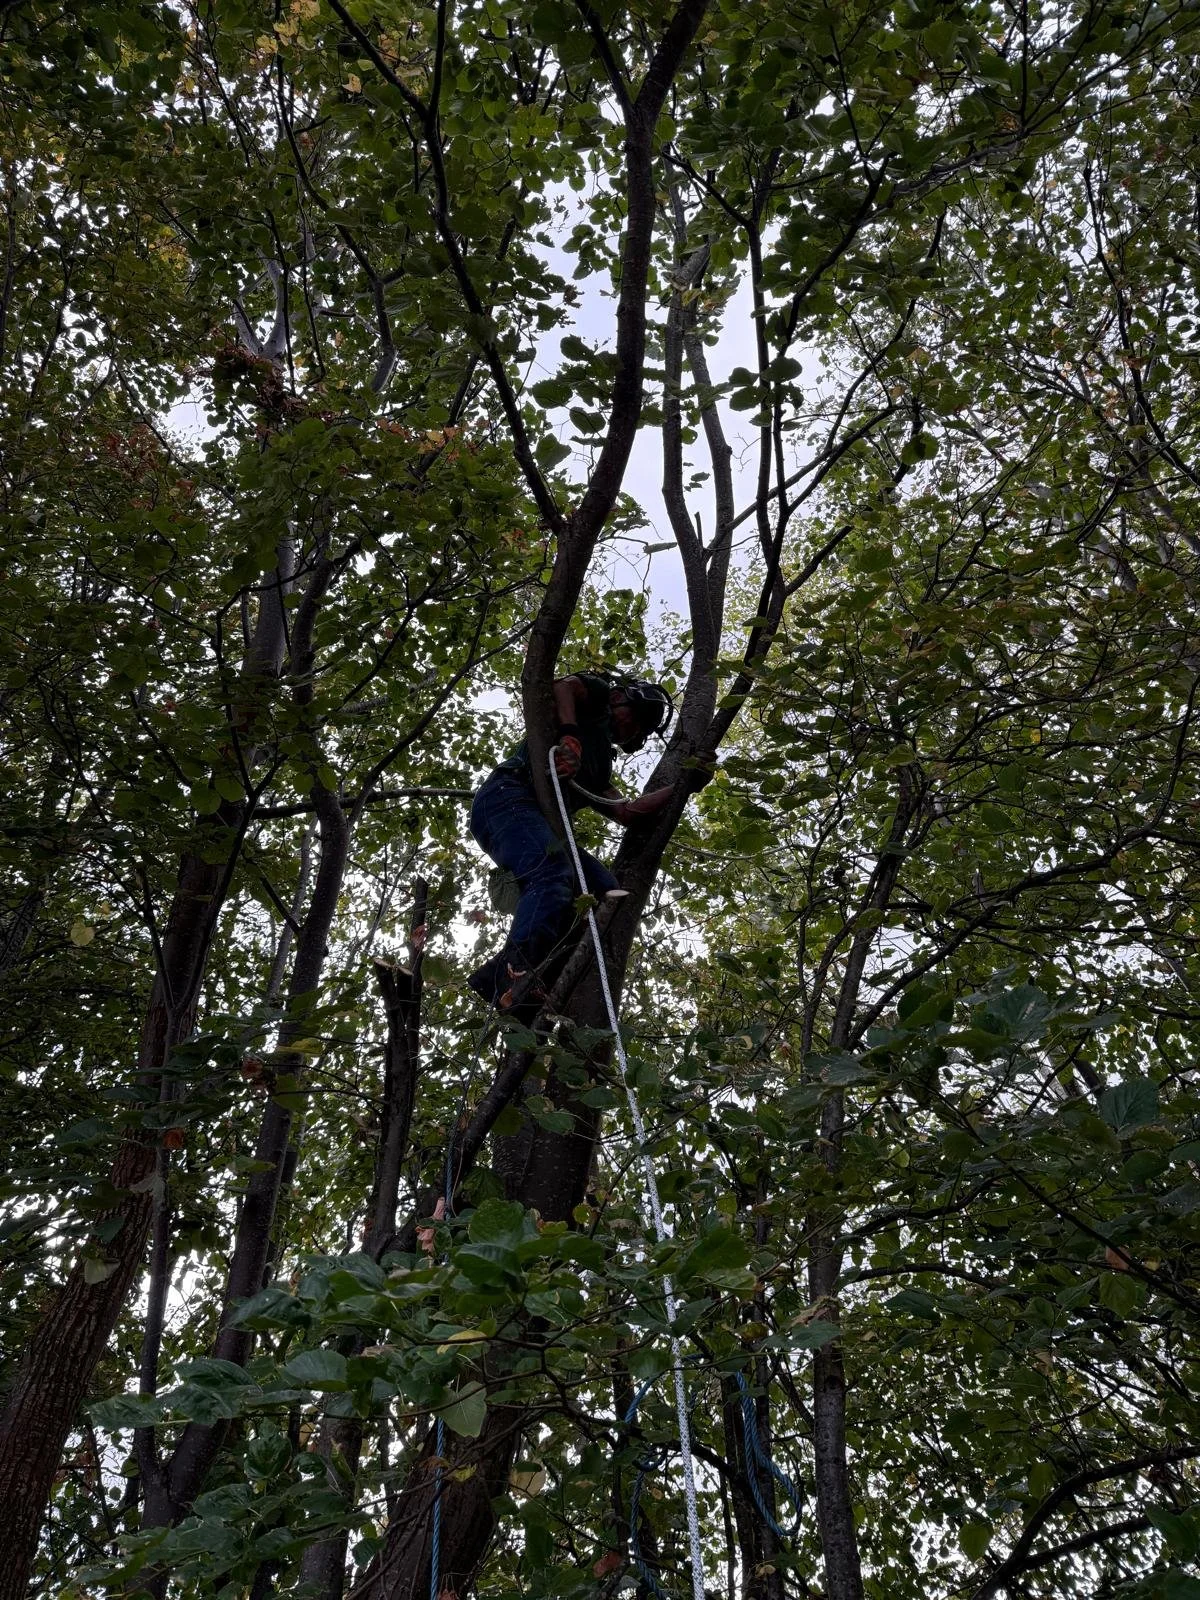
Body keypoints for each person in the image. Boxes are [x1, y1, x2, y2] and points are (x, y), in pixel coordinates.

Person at [468, 673, 676, 1009]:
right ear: (621, 698)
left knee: (602, 890)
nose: (633, 727)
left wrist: (683, 786)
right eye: (635, 716)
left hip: (541, 827)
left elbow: (626, 811)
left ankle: (538, 984)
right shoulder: (594, 700)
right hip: (507, 798)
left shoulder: (599, 768)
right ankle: (511, 975)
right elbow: (562, 686)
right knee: (551, 873)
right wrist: (569, 734)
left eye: (641, 728)